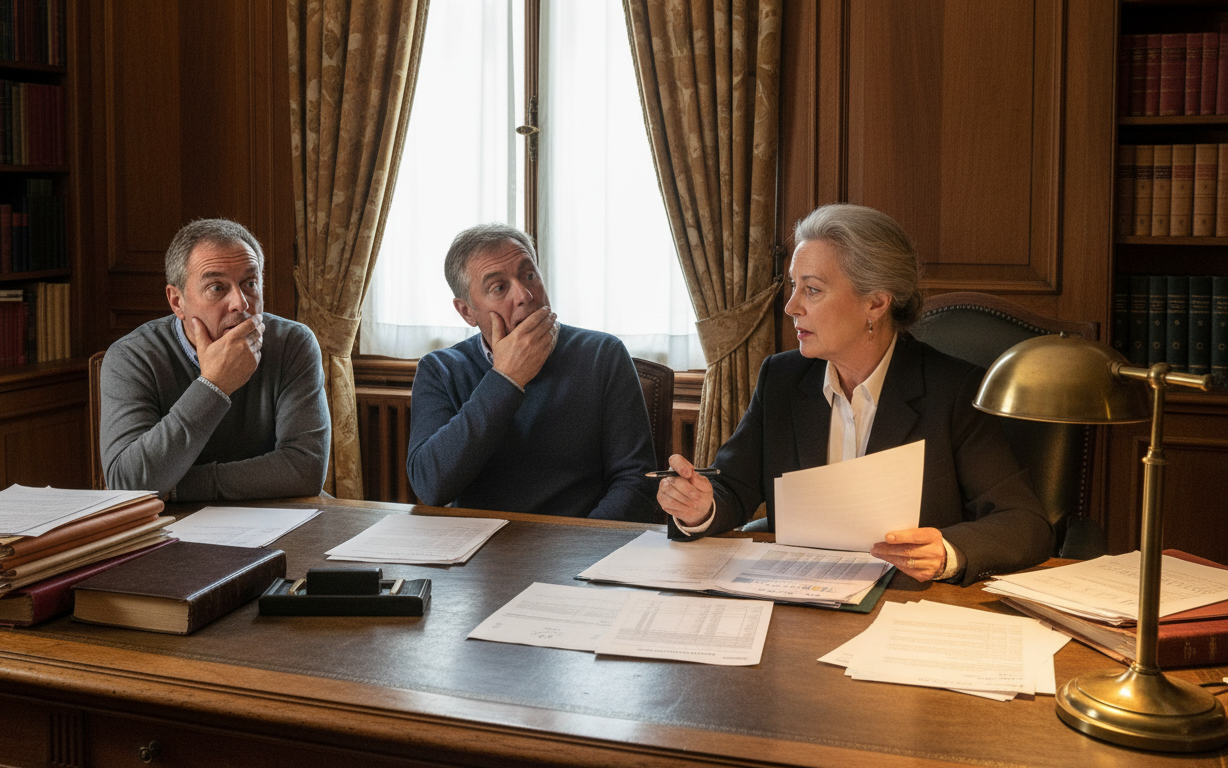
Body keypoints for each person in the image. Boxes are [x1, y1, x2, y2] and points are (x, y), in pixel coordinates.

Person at [657, 204, 1051, 584]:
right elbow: (732, 487)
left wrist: (947, 552)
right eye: (795, 287)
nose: (791, 307)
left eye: (812, 290)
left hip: (907, 606)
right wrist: (699, 507)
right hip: (796, 596)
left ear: (876, 303)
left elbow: (1024, 523)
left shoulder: (952, 389)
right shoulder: (782, 378)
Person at [406, 223, 660, 522]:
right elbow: (431, 487)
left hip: (579, 547)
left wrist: (578, 552)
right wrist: (505, 379)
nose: (525, 294)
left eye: (529, 275)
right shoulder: (441, 369)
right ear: (466, 311)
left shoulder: (602, 354)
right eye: (499, 287)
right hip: (480, 555)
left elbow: (636, 482)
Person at [99, 218, 331, 501]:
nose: (241, 303)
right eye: (217, 288)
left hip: (281, 515)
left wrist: (176, 487)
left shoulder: (293, 343)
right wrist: (213, 385)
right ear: (177, 302)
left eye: (250, 283)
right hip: (173, 527)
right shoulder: (133, 356)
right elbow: (129, 484)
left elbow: (305, 470)